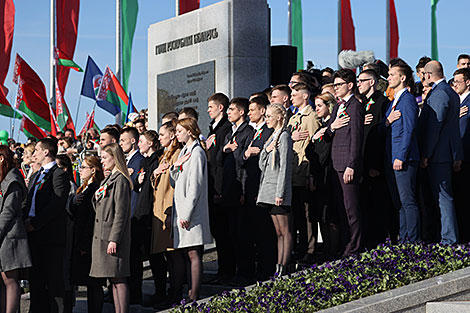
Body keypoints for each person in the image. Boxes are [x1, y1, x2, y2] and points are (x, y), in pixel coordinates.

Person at [23, 138, 71, 313]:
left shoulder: (59, 174)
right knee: (36, 281)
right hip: (33, 236)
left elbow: (56, 205)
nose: (33, 153)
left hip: (50, 236)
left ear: (46, 152)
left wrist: (35, 224)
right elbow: (29, 202)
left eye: (36, 150)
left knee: (54, 283)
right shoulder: (36, 175)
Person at [421, 60, 463, 244]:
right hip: (446, 153)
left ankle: (449, 240)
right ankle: (446, 237)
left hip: (438, 155)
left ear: (428, 75)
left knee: (443, 199)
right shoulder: (450, 92)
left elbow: (434, 127)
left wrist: (426, 154)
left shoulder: (439, 94)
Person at [170, 118, 212, 301]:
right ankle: (190, 292)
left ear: (189, 131)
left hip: (191, 212)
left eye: (180, 130)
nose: (177, 134)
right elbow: (175, 180)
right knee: (187, 253)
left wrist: (186, 214)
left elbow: (195, 186)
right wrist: (176, 166)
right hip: (182, 211)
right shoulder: (184, 152)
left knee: (194, 253)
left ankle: (194, 294)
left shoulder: (196, 153)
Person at [324, 68, 364, 257]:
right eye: (335, 85)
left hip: (346, 164)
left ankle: (355, 247)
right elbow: (327, 134)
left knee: (351, 209)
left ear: (350, 85)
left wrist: (352, 164)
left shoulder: (355, 105)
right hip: (335, 163)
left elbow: (357, 137)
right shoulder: (339, 106)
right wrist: (332, 126)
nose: (336, 88)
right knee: (341, 208)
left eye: (339, 85)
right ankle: (346, 244)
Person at [90, 143, 132, 313]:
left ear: (115, 158)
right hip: (103, 235)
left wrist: (114, 238)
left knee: (118, 278)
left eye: (105, 158)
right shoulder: (108, 179)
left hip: (112, 237)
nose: (102, 161)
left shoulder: (120, 180)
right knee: (113, 280)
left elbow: (120, 213)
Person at [383, 60, 421, 243]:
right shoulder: (394, 102)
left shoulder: (407, 100)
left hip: (402, 159)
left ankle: (412, 241)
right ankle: (403, 239)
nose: (389, 78)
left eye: (392, 75)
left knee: (408, 201)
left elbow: (409, 130)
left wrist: (401, 156)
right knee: (399, 203)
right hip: (392, 158)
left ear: (403, 77)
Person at [150, 121, 184, 309]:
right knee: (166, 254)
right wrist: (154, 172)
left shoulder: (177, 153)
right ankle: (170, 292)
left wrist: (172, 210)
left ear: (172, 135)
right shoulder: (164, 154)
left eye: (162, 134)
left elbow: (175, 184)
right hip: (159, 207)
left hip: (169, 207)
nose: (159, 138)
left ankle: (177, 292)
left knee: (173, 254)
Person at [257, 103, 293, 276]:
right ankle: (278, 266)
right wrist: (266, 149)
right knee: (277, 231)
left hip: (278, 190)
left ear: (279, 117)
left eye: (269, 116)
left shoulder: (284, 136)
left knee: (285, 230)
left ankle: (284, 266)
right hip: (268, 188)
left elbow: (285, 166)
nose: (267, 120)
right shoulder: (271, 136)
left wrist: (281, 192)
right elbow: (261, 165)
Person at [243, 96, 275, 280]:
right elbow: (241, 157)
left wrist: (260, 151)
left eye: (252, 109)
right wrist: (246, 154)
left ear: (262, 111)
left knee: (265, 232)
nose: (249, 113)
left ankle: (267, 268)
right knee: (253, 232)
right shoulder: (250, 132)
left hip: (264, 186)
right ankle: (256, 269)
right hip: (250, 186)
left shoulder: (268, 131)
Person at [305, 93, 341, 261]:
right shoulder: (321, 127)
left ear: (329, 106)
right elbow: (309, 151)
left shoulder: (331, 127)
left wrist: (318, 139)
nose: (317, 109)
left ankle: (333, 252)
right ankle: (327, 251)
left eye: (320, 106)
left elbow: (322, 152)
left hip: (328, 175)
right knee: (321, 216)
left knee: (330, 216)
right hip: (318, 175)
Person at [288, 82, 320, 262]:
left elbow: (315, 146)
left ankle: (310, 248)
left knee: (307, 213)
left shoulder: (311, 117)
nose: (292, 97)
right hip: (294, 168)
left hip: (305, 167)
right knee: (297, 211)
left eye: (295, 94)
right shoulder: (293, 117)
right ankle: (300, 247)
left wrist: (311, 175)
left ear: (305, 96)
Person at [70, 156, 105, 313]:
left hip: (89, 241)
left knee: (94, 282)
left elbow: (92, 218)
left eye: (83, 167)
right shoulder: (84, 187)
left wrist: (84, 244)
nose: (80, 170)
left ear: (93, 170)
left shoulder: (95, 188)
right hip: (80, 238)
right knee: (88, 281)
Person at [0, 146, 31, 313]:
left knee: (10, 280)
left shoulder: (13, 180)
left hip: (10, 237)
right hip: (4, 236)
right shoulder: (4, 178)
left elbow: (8, 211)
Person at [205, 93, 233, 283]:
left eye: (211, 107)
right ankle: (222, 270)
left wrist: (220, 189)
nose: (208, 110)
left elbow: (222, 163)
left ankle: (227, 271)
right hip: (212, 186)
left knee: (225, 234)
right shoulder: (213, 129)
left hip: (220, 187)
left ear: (220, 108)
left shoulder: (225, 129)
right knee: (219, 233)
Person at [119, 127, 144, 304]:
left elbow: (136, 184)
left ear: (133, 141)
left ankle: (135, 294)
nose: (121, 144)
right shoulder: (125, 160)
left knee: (134, 257)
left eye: (123, 140)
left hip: (135, 213)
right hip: (126, 214)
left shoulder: (139, 160)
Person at [453, 68, 470, 243]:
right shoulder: (457, 102)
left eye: (458, 81)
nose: (455, 85)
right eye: (454, 82)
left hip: (465, 158)